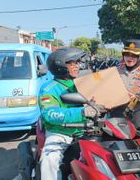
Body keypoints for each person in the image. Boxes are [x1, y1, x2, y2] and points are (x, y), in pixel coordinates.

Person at [38, 48, 106, 180]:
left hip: (87, 130)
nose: (77, 66)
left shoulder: (82, 83)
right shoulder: (49, 89)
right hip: (60, 133)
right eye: (71, 63)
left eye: (77, 63)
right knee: (49, 161)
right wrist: (82, 111)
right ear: (60, 66)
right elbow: (50, 113)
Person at [111, 39, 140, 141]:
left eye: (134, 55)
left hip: (139, 122)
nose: (130, 58)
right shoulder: (114, 71)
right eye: (127, 54)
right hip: (115, 121)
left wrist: (138, 98)